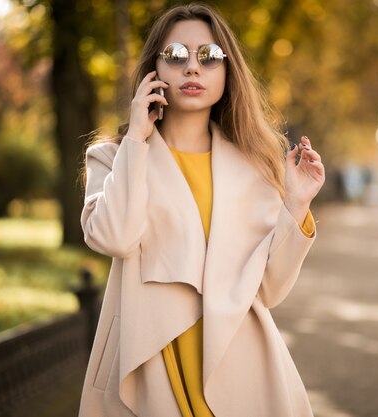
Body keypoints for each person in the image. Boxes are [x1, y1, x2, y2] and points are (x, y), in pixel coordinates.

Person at [78, 3, 325, 416]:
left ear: (227, 73)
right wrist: (137, 137)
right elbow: (114, 237)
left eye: (208, 57)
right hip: (151, 366)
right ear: (153, 70)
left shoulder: (255, 166)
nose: (192, 68)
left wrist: (296, 204)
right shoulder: (114, 158)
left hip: (239, 367)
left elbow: (269, 290)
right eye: (175, 55)